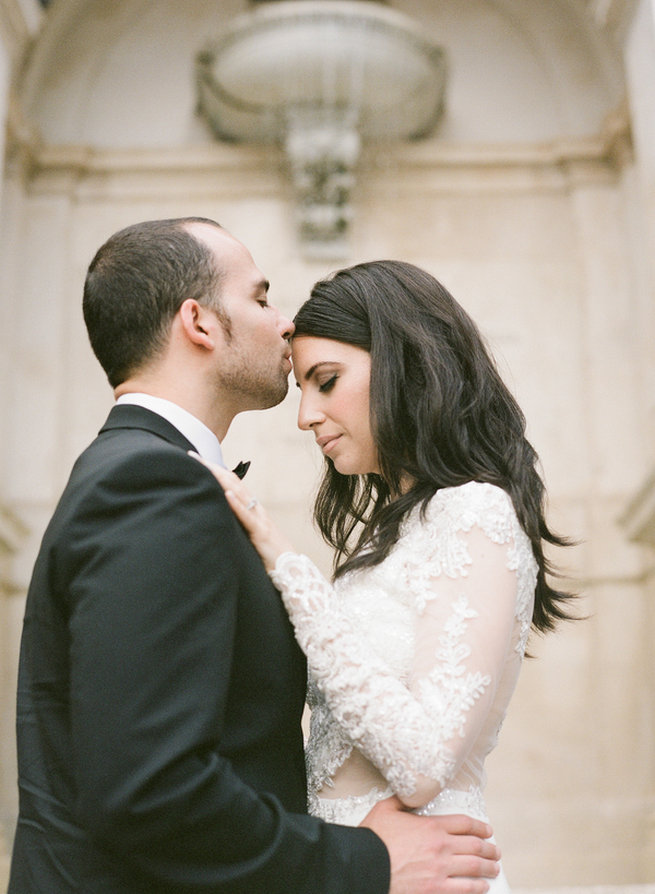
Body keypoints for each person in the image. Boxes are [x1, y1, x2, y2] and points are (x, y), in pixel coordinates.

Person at [8, 219, 501, 894]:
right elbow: (151, 787)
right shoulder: (150, 483)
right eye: (262, 297)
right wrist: (366, 864)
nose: (285, 323)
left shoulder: (148, 475)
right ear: (199, 323)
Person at [200, 260, 575, 894]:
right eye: (302, 391)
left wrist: (285, 563)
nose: (306, 416)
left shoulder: (476, 511)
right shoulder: (392, 534)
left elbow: (424, 765)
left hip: (431, 875)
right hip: (356, 872)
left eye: (327, 381)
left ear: (404, 361)